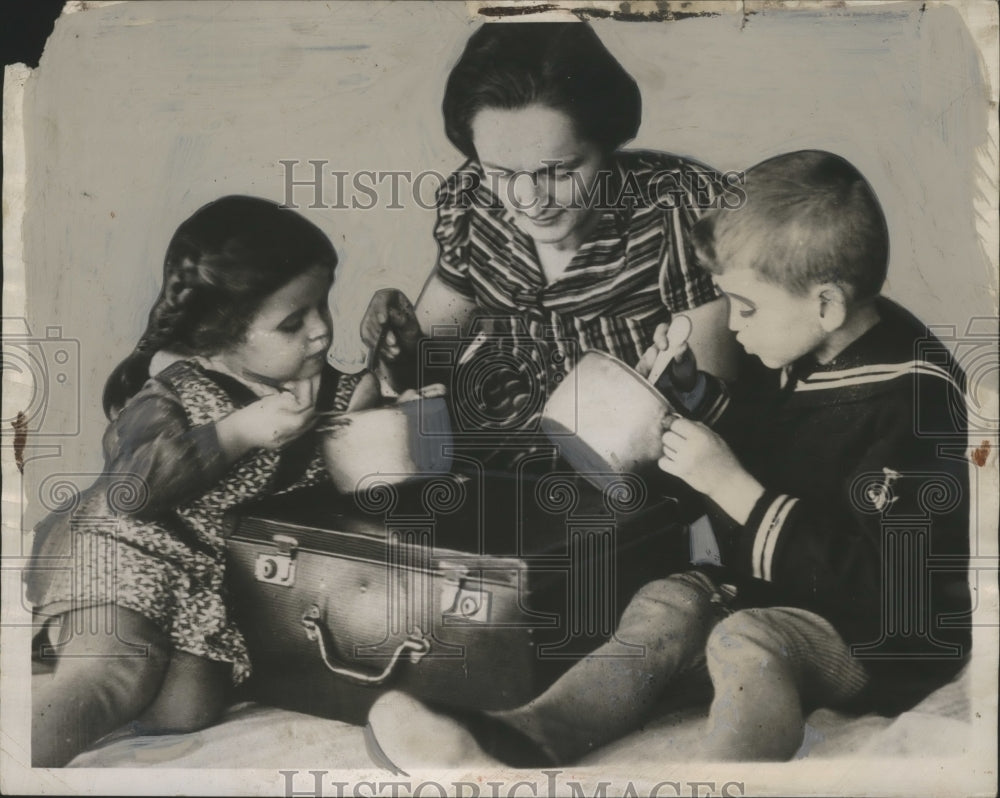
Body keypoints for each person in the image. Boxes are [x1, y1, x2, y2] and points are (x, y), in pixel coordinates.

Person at [367, 150, 972, 765]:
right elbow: (774, 442)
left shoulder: (913, 395)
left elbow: (887, 584)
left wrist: (734, 488)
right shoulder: (799, 345)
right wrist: (693, 393)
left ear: (827, 305)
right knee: (668, 601)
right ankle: (524, 741)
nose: (732, 326)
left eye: (747, 306)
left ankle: (730, 777)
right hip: (774, 588)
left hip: (881, 636)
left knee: (746, 638)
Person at [27, 195, 381, 767]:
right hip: (125, 558)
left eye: (322, 307)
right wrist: (239, 432)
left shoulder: (316, 388)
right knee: (116, 676)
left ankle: (72, 669)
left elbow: (361, 452)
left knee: (187, 711)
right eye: (293, 322)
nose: (319, 332)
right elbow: (131, 491)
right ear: (219, 337)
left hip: (199, 583)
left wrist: (394, 360)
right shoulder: (173, 395)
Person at [361, 22, 739, 423]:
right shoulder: (472, 201)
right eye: (502, 173)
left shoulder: (677, 208)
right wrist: (399, 342)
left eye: (557, 173)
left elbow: (711, 408)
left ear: (605, 142)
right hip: (498, 466)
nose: (528, 201)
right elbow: (430, 365)